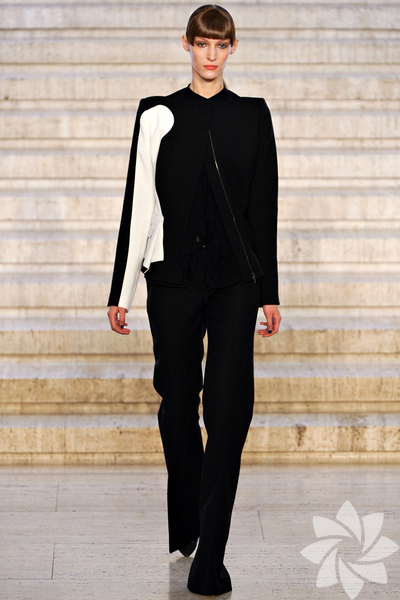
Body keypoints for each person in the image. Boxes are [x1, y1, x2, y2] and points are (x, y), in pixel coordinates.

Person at [107, 4, 281, 596]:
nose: (211, 54)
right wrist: (121, 289)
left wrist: (269, 292)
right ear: (186, 45)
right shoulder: (157, 113)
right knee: (178, 403)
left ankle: (212, 556)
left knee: (230, 411)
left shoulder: (252, 116)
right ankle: (186, 520)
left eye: (220, 45)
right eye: (202, 44)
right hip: (172, 280)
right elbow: (138, 202)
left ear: (233, 48)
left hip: (235, 282)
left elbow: (263, 207)